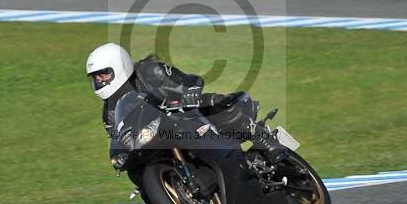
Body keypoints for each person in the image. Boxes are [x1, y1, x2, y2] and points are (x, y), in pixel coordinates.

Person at [85, 43, 289, 164]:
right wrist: (121, 155)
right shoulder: (109, 113)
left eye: (103, 75)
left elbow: (190, 81)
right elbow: (119, 139)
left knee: (211, 103)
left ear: (120, 66)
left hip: (187, 117)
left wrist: (190, 92)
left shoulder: (150, 71)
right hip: (158, 139)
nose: (100, 81)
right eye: (95, 78)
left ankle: (266, 141)